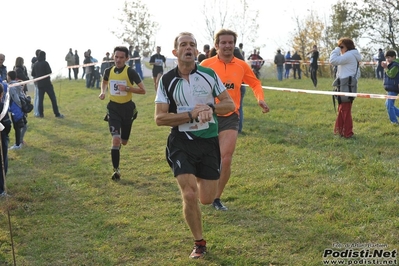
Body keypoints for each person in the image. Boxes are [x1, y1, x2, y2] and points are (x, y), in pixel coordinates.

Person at [155, 32, 235, 259]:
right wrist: (191, 115)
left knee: (206, 198)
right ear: (175, 52)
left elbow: (228, 103)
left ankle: (200, 185)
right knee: (189, 194)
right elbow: (159, 118)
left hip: (208, 141)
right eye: (183, 44)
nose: (188, 48)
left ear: (197, 51)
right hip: (181, 142)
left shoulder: (209, 75)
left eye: (192, 44)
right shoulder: (167, 80)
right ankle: (199, 242)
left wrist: (211, 107)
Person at [201, 29, 270, 211]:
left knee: (226, 158)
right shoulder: (206, 65)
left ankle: (216, 197)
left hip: (231, 116)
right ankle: (204, 188)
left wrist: (260, 98)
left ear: (234, 44)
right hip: (208, 117)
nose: (227, 46)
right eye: (223, 43)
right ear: (216, 46)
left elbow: (255, 83)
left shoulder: (241, 65)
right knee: (206, 158)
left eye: (230, 42)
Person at [98, 46, 145, 181]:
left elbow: (143, 90)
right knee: (116, 139)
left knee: (123, 142)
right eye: (116, 57)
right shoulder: (108, 70)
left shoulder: (130, 72)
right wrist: (103, 91)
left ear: (127, 59)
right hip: (113, 109)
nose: (118, 60)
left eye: (121, 57)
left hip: (127, 109)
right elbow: (105, 81)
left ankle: (117, 148)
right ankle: (116, 170)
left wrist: (128, 88)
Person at [329, 37, 362, 138]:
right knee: (342, 109)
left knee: (345, 110)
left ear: (347, 47)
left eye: (341, 46)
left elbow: (333, 60)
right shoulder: (353, 56)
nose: (340, 49)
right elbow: (358, 73)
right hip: (347, 85)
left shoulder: (349, 55)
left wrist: (336, 50)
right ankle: (340, 131)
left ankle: (347, 133)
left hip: (345, 85)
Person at [31, 50, 64, 118]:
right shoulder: (45, 63)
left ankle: (41, 114)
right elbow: (49, 72)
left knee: (40, 100)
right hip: (47, 84)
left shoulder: (35, 64)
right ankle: (56, 113)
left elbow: (32, 74)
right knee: (53, 99)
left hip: (39, 84)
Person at [7, 71, 26, 150]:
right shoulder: (18, 84)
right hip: (20, 108)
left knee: (16, 126)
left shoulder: (11, 86)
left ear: (9, 77)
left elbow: (15, 98)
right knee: (22, 124)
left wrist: (18, 105)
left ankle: (17, 144)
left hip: (15, 108)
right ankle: (20, 141)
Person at [0, 82, 12, 196]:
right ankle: (1, 190)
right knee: (2, 163)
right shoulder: (2, 107)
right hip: (1, 136)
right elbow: (7, 124)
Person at [381, 50, 399, 124]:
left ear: (394, 57)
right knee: (388, 104)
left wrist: (385, 68)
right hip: (390, 87)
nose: (387, 59)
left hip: (393, 88)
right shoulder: (391, 64)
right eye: (386, 58)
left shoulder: (395, 65)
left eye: (389, 57)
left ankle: (394, 122)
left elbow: (392, 74)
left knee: (389, 105)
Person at [31, 49, 41, 117]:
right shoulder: (37, 62)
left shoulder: (33, 62)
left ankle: (35, 111)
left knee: (36, 97)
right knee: (38, 97)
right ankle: (37, 112)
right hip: (38, 81)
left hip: (35, 80)